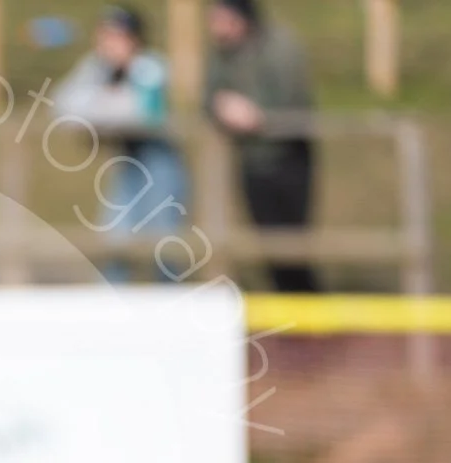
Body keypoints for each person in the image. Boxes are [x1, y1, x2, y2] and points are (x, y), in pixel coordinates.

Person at [53, 5, 188, 283]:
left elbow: (141, 115)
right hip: (126, 164)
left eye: (114, 36)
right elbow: (61, 108)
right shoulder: (97, 68)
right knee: (113, 242)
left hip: (159, 166)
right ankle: (115, 312)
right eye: (104, 36)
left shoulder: (151, 67)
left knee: (162, 246)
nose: (107, 44)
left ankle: (170, 311)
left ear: (133, 39)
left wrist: (98, 105)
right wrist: (105, 101)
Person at [206, 0, 321, 292]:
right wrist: (220, 107)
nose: (216, 26)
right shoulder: (221, 54)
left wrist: (259, 117)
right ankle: (289, 315)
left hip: (289, 157)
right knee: (267, 243)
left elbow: (294, 100)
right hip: (251, 159)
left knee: (294, 243)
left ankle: (309, 316)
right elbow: (208, 98)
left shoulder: (279, 46)